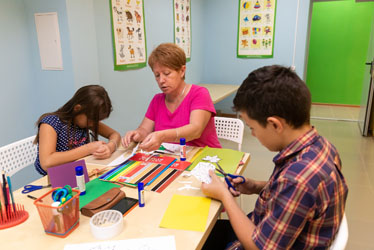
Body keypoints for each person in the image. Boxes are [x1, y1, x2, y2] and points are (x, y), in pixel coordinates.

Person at [201, 65, 348, 250]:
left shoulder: (298, 179)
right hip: (266, 228)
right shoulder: (322, 146)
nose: (253, 135)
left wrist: (225, 196)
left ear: (274, 124)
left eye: (252, 128)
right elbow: (291, 195)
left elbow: (259, 247)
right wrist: (255, 186)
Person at [122, 43, 221, 151]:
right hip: (174, 158)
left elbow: (195, 130)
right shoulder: (157, 100)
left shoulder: (199, 94)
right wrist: (137, 134)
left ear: (182, 71)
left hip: (204, 157)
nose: (161, 80)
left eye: (167, 73)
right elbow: (145, 129)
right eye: (157, 75)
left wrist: (162, 136)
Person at [34, 85, 121, 176]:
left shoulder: (84, 121)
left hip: (80, 172)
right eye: (91, 120)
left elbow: (115, 134)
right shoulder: (51, 123)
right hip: (56, 178)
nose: (93, 124)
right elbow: (46, 162)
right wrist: (88, 149)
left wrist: (110, 147)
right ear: (77, 109)